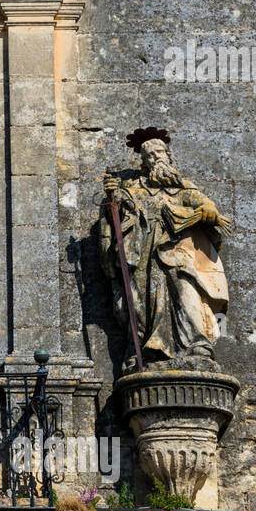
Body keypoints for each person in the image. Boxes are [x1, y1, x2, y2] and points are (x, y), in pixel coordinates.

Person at [100, 128, 232, 371]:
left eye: (160, 152)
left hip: (179, 251)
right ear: (143, 161)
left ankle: (196, 345)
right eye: (150, 155)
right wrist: (113, 201)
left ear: (168, 157)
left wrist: (206, 213)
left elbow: (207, 207)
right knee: (143, 301)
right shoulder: (133, 189)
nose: (156, 158)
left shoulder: (182, 188)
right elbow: (116, 221)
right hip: (143, 254)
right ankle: (146, 348)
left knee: (185, 289)